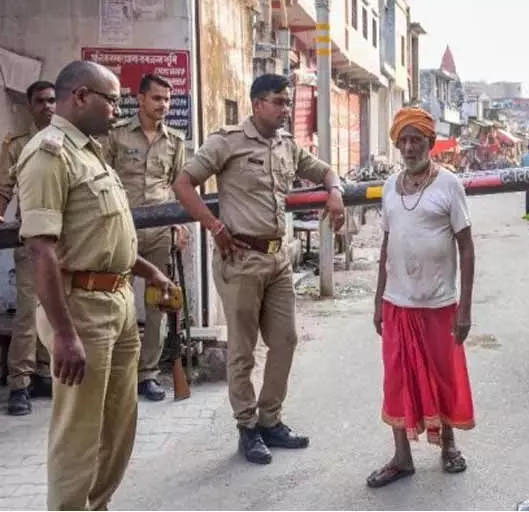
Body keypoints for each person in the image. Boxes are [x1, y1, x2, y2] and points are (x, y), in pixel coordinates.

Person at [17, 60, 177, 510]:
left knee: (118, 425)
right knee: (79, 431)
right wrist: (64, 335)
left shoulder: (89, 151)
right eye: (112, 100)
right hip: (81, 309)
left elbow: (104, 234)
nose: (117, 110)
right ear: (82, 97)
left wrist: (149, 271)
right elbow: (42, 250)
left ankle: (96, 504)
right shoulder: (50, 153)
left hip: (119, 301)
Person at [173, 73, 346, 465]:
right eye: (278, 102)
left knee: (285, 340)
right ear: (256, 104)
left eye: (288, 102)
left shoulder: (287, 145)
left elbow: (325, 171)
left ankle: (271, 420)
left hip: (277, 259)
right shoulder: (227, 142)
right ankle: (247, 428)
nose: (286, 109)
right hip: (240, 259)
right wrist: (214, 227)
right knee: (242, 351)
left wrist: (334, 192)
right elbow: (184, 184)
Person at [367, 107, 476, 489]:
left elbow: (466, 247)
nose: (410, 147)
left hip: (439, 304)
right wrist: (379, 299)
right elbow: (386, 244)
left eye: (417, 140)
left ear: (431, 144)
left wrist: (464, 308)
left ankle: (448, 445)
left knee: (443, 377)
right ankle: (402, 457)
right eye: (404, 141)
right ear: (397, 145)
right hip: (398, 303)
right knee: (397, 380)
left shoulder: (448, 185)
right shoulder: (389, 188)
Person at [103, 74, 188, 401]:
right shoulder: (117, 136)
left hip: (160, 231)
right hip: (121, 229)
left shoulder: (176, 142)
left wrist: (181, 224)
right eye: (156, 98)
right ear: (140, 99)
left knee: (157, 302)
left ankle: (147, 374)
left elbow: (180, 187)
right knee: (115, 299)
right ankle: (116, 370)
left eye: (167, 99)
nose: (163, 105)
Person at [0, 80, 55, 415]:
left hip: (64, 238)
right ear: (31, 106)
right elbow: (4, 187)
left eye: (52, 100)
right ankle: (20, 382)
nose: (47, 106)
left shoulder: (73, 142)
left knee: (55, 307)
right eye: (41, 101)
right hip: (31, 238)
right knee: (27, 312)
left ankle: (45, 373)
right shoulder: (18, 145)